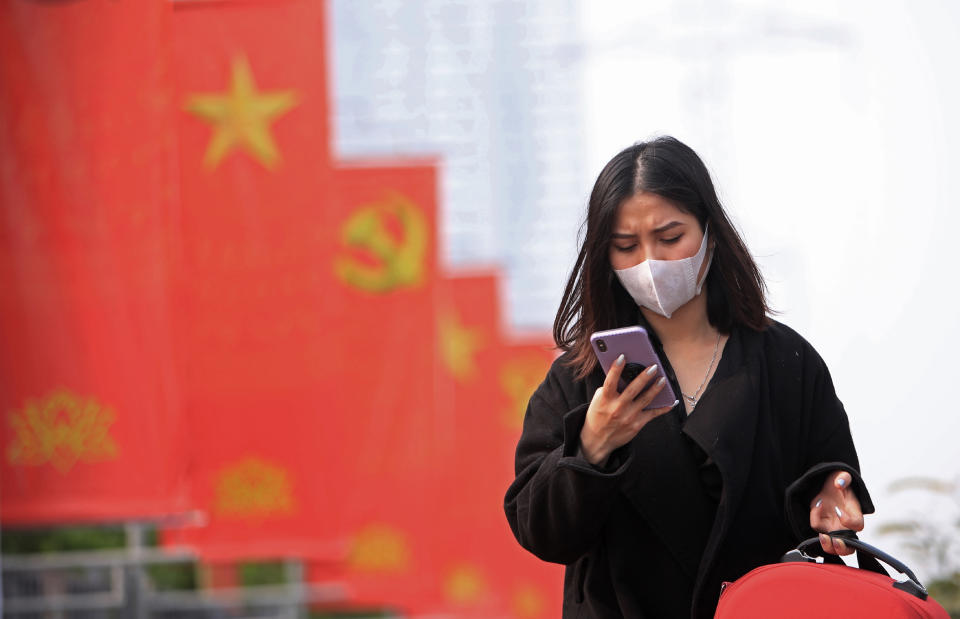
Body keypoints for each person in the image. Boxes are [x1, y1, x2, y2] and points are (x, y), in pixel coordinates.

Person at [503, 136, 874, 618]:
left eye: (670, 237)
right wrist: (590, 447)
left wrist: (830, 505)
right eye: (625, 246)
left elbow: (830, 485)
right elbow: (540, 532)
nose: (649, 263)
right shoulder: (577, 380)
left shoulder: (787, 363)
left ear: (711, 233)